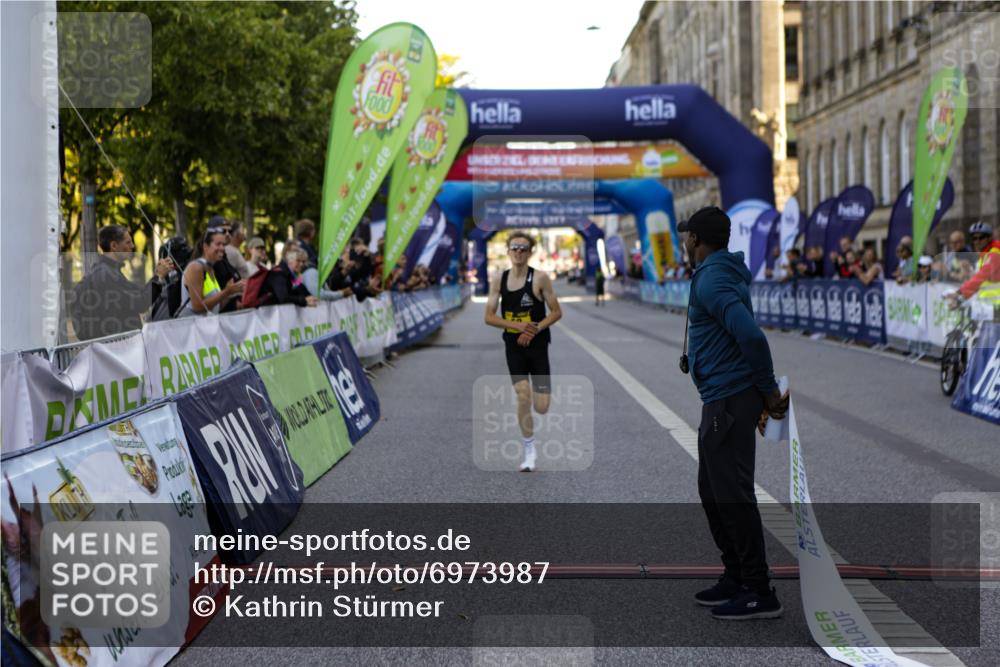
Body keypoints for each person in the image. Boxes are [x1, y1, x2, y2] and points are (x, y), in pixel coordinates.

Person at [678, 206, 788, 620]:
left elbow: (751, 336)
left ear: (696, 240)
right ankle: (736, 575)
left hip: (730, 399)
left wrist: (768, 390)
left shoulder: (713, 279)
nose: (684, 242)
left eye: (687, 235)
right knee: (713, 491)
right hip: (721, 398)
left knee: (733, 496)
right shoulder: (718, 272)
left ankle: (759, 590)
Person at [484, 232, 562, 472]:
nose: (518, 252)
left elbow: (556, 312)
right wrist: (518, 326)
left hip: (538, 346)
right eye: (514, 247)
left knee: (541, 407)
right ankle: (529, 450)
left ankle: (540, 404)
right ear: (508, 251)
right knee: (523, 395)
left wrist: (535, 328)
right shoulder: (499, 279)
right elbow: (488, 317)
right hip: (513, 345)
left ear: (530, 252)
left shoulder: (540, 279)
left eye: (523, 248)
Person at [68, 224, 173, 340]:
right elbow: (140, 302)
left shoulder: (106, 271)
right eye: (127, 242)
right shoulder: (106, 275)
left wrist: (157, 275)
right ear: (113, 246)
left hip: (116, 348)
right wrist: (158, 277)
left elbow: (140, 294)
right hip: (117, 349)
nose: (132, 246)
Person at [178, 228, 243, 316]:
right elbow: (197, 307)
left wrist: (231, 292)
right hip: (191, 327)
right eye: (218, 244)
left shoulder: (210, 269)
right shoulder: (195, 267)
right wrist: (226, 292)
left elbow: (215, 307)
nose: (222, 248)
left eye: (223, 244)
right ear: (205, 246)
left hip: (205, 327)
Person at [957, 222, 1000, 311]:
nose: (977, 241)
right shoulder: (983, 257)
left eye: (981, 238)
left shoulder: (995, 253)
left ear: (989, 238)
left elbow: (981, 277)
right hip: (987, 307)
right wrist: (962, 298)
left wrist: (959, 292)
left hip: (996, 308)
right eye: (974, 238)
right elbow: (979, 283)